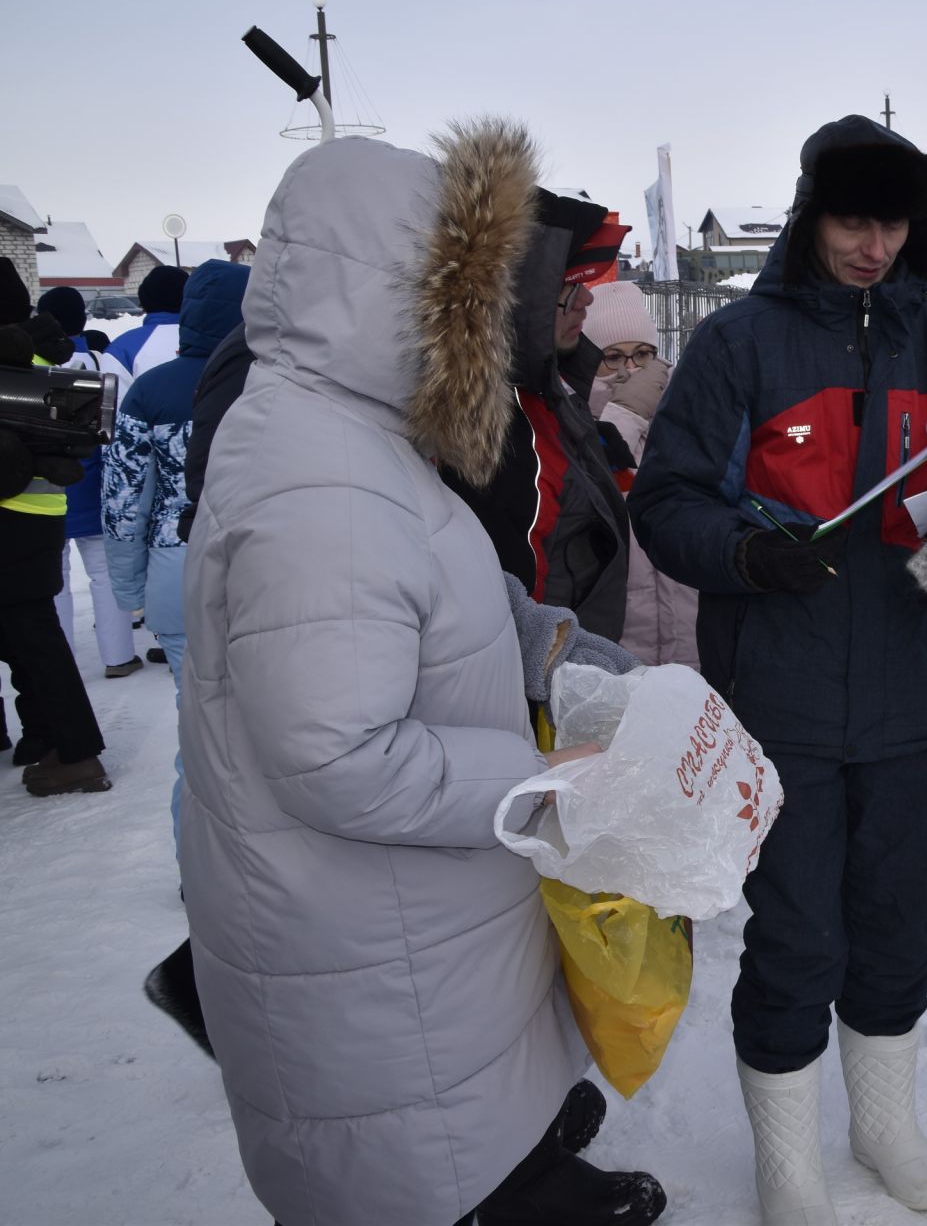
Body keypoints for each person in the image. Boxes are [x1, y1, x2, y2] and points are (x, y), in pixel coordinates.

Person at [178, 122, 662, 1226]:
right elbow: (342, 759)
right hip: (366, 936)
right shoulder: (322, 486)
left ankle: (512, 1147)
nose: (500, 320)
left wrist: (549, 643)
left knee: (461, 1077)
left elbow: (434, 587)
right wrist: (554, 775)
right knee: (419, 1143)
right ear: (396, 295)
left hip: (403, 922)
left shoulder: (347, 432)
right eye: (475, 294)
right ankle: (496, 1187)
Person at [632, 114, 927, 1225]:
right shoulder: (739, 344)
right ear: (813, 214)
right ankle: (787, 1154)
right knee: (798, 928)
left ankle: (884, 1120)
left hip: (912, 695)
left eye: (894, 223)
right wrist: (746, 552)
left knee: (898, 918)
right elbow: (665, 502)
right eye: (855, 220)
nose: (875, 246)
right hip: (782, 697)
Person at [100, 259, 249, 851]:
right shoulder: (267, 382)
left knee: (201, 730)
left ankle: (198, 861)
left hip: (176, 575)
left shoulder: (150, 389)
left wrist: (131, 593)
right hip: (258, 571)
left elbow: (121, 504)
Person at [438, 195, 632, 644]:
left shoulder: (546, 395)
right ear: (519, 293)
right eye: (567, 284)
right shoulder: (495, 425)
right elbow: (515, 602)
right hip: (539, 693)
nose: (586, 299)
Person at [0, 314, 113, 794]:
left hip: (12, 521)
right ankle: (49, 739)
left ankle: (76, 752)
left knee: (34, 639)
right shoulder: (21, 367)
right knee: (25, 639)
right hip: (35, 516)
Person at [582, 280, 700, 667]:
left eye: (643, 354)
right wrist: (624, 416)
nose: (630, 369)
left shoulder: (685, 417)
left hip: (691, 647)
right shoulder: (575, 421)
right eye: (612, 357)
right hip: (616, 651)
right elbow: (594, 487)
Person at [39, 287, 142, 679]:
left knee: (55, 578)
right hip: (95, 486)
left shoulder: (34, 366)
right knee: (105, 573)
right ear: (83, 320)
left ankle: (59, 661)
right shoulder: (103, 361)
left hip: (42, 490)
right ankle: (118, 656)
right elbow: (129, 423)